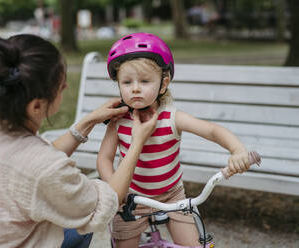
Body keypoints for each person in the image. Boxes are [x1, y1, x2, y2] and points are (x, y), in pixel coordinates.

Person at [0, 34, 159, 248]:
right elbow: (104, 204)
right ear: (36, 105)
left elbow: (31, 167)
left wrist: (87, 122)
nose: (66, 89)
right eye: (62, 87)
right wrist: (137, 141)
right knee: (79, 226)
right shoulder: (43, 168)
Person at [97, 32, 250, 247]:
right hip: (131, 198)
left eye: (145, 81)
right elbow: (104, 158)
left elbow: (212, 131)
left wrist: (238, 150)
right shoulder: (117, 120)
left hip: (172, 195)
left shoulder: (172, 117)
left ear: (163, 83)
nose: (135, 88)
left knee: (194, 244)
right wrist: (114, 190)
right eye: (127, 82)